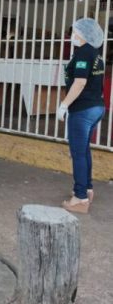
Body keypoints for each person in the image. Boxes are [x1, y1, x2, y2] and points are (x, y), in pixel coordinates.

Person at [58, 18, 105, 214]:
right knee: (84, 151)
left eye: (75, 32)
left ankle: (80, 199)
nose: (72, 36)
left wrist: (64, 104)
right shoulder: (96, 55)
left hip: (83, 110)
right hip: (96, 108)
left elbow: (79, 82)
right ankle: (87, 189)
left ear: (83, 34)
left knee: (78, 153)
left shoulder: (84, 53)